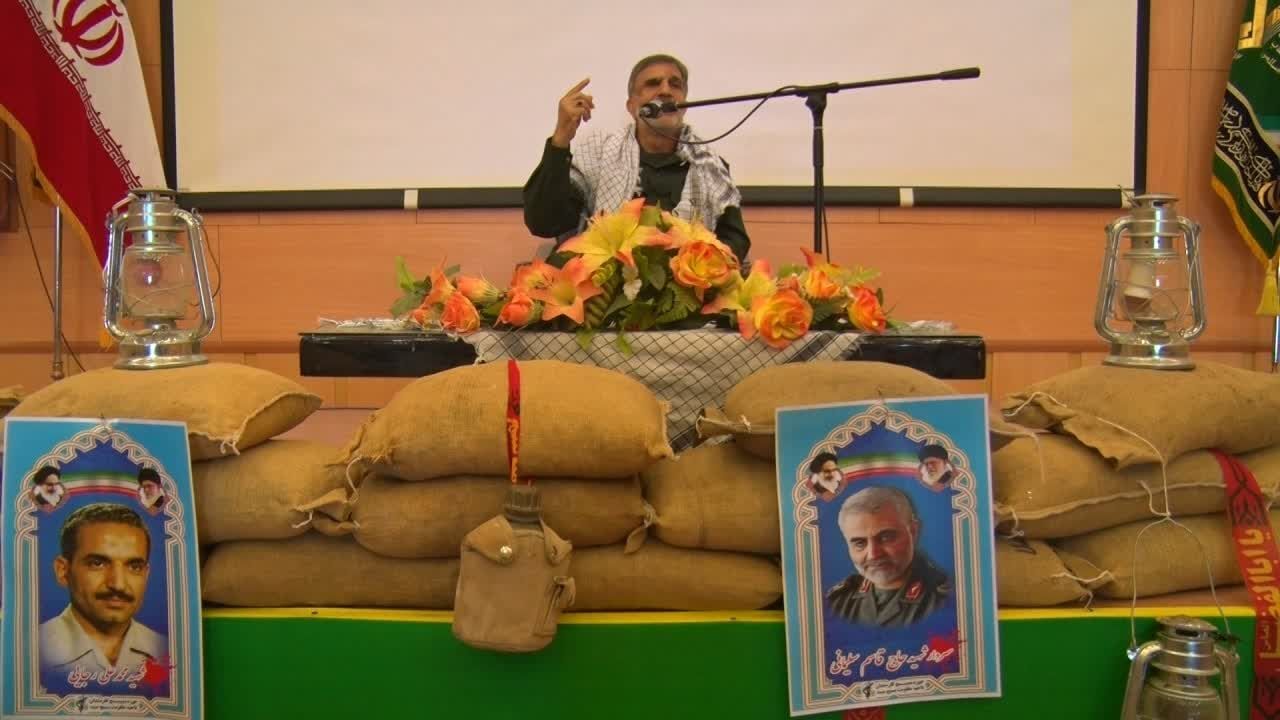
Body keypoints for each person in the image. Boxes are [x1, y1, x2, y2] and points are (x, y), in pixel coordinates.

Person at [523, 53, 751, 264]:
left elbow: (734, 243)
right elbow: (544, 222)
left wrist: (700, 268)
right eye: (653, 83)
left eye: (675, 85)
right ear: (632, 107)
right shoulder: (597, 156)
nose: (666, 91)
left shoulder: (711, 167)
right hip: (602, 286)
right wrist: (561, 137)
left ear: (684, 104)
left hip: (687, 287)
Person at [39, 503, 166, 684]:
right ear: (63, 571)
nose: (118, 585)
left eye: (134, 567)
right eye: (97, 563)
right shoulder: (31, 650)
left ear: (146, 574)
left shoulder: (166, 651)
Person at [826, 486, 951, 628]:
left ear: (913, 531)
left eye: (886, 538)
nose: (873, 555)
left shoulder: (947, 600)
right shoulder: (837, 602)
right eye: (860, 543)